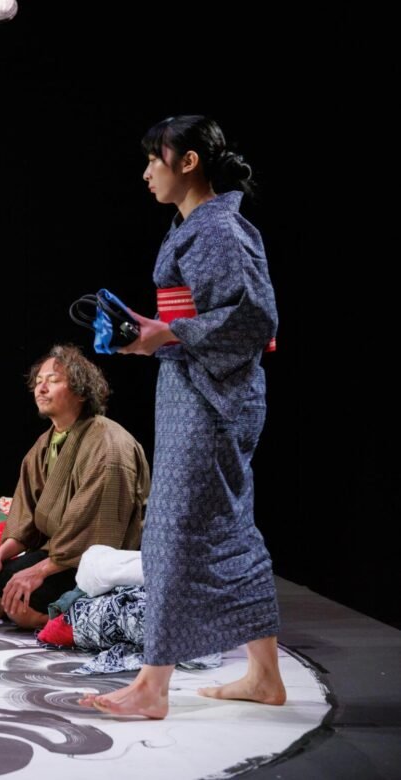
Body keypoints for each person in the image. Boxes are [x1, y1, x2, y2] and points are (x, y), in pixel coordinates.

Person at [81, 115, 285, 719]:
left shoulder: (219, 227)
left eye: (155, 159)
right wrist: (151, 334)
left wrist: (166, 333)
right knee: (229, 531)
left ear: (188, 161)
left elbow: (254, 319)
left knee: (172, 531)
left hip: (213, 398)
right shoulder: (197, 227)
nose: (147, 172)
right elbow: (197, 317)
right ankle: (264, 676)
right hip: (195, 389)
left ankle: (152, 685)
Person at [0, 344, 150, 629]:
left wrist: (39, 571)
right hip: (60, 552)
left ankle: (68, 622)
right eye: (38, 382)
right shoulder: (45, 444)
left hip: (98, 561)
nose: (41, 389)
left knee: (20, 610)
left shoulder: (109, 446)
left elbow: (98, 535)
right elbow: (26, 519)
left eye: (52, 381)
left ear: (80, 391)